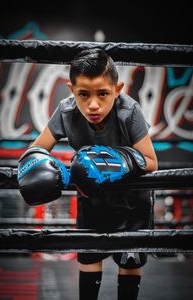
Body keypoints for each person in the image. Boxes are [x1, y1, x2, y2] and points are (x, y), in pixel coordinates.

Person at [18, 48, 158, 300]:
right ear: (72, 90)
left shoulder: (129, 110)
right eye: (84, 94)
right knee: (89, 256)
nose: (93, 104)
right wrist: (46, 168)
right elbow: (35, 150)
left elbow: (151, 161)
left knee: (129, 262)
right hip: (91, 195)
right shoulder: (66, 111)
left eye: (103, 94)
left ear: (117, 90)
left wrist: (116, 161)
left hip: (132, 200)